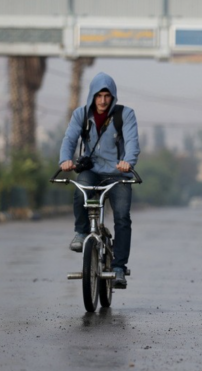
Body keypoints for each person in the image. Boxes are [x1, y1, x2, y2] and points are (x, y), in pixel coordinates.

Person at [59, 71, 140, 289]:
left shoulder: (126, 115)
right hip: (92, 170)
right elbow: (70, 138)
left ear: (113, 96)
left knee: (122, 217)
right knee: (80, 189)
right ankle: (81, 232)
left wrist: (128, 162)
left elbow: (132, 142)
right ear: (92, 96)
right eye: (99, 96)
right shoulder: (81, 114)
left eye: (107, 96)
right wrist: (65, 160)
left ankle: (119, 267)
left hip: (118, 173)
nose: (103, 100)